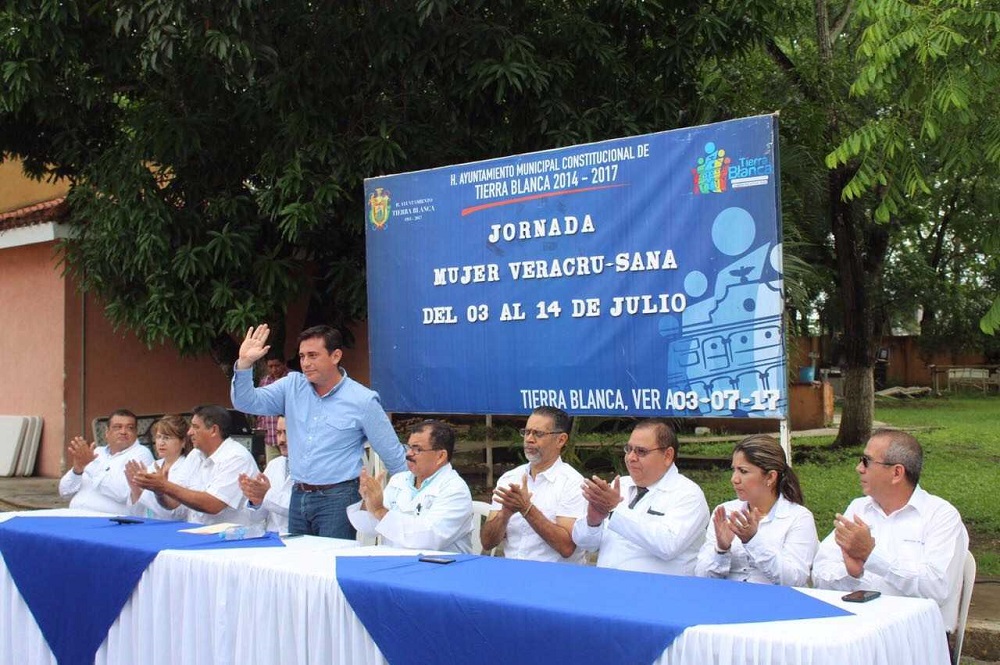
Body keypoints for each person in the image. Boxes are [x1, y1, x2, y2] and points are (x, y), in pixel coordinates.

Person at [231, 324, 407, 539]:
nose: (305, 363)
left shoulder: (363, 400)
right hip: (298, 494)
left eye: (313, 355)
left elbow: (394, 456)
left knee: (328, 564)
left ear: (336, 356)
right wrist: (245, 363)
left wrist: (404, 507)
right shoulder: (292, 385)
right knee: (299, 566)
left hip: (338, 497)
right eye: (302, 356)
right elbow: (246, 402)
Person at [812, 429, 969, 632]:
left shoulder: (940, 516)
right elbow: (819, 574)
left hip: (917, 636)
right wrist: (852, 574)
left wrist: (872, 556)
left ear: (896, 473)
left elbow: (938, 588)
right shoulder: (859, 509)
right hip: (858, 629)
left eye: (866, 461)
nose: (859, 468)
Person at [572, 419, 709, 575]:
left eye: (641, 451)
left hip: (660, 594)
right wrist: (593, 521)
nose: (631, 458)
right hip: (609, 588)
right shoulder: (620, 485)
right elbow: (585, 544)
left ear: (668, 455)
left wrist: (615, 509)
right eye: (628, 449)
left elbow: (668, 546)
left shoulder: (688, 494)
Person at [695, 434, 818, 585]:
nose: (734, 479)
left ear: (770, 477)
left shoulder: (799, 517)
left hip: (776, 604)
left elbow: (795, 579)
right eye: (734, 470)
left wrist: (753, 540)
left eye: (743, 471)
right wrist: (721, 549)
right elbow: (701, 578)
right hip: (728, 600)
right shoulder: (726, 512)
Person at [480, 406, 587, 563]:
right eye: (526, 432)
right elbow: (487, 543)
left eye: (538, 434)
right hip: (512, 573)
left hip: (554, 580)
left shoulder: (573, 483)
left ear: (561, 440)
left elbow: (566, 548)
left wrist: (526, 509)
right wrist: (505, 514)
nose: (529, 439)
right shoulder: (510, 478)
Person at [347, 419, 473, 553]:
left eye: (417, 449)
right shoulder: (399, 480)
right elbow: (370, 528)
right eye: (409, 447)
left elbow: (429, 539)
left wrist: (380, 510)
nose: (408, 454)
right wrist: (368, 501)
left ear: (440, 456)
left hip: (439, 567)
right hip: (394, 563)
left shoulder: (455, 489)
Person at [132, 405, 261, 526]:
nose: (189, 432)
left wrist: (165, 486)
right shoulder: (195, 454)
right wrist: (159, 492)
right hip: (196, 534)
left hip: (231, 540)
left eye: (195, 427)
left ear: (213, 430)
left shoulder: (236, 457)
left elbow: (213, 505)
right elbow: (175, 503)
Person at [58, 409, 154, 514]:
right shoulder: (97, 452)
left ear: (136, 433)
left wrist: (90, 465)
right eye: (117, 427)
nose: (123, 432)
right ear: (107, 432)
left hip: (111, 522)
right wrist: (77, 470)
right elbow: (64, 493)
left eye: (130, 428)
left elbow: (123, 494)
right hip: (75, 516)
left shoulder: (141, 454)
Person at [124, 415, 198, 520]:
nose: (161, 443)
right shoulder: (154, 466)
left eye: (167, 438)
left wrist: (143, 492)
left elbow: (175, 514)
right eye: (158, 437)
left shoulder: (187, 467)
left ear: (183, 442)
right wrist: (134, 488)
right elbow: (135, 513)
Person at [239, 416, 293, 533]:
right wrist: (255, 501)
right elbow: (257, 518)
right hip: (272, 538)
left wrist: (267, 494)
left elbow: (301, 508)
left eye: (287, 433)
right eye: (278, 433)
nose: (281, 440)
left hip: (300, 539)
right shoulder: (274, 464)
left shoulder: (315, 467)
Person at [257, 355, 288, 464]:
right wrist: (260, 425)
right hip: (270, 436)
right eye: (270, 366)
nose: (274, 369)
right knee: (272, 471)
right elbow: (260, 405)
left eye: (277, 366)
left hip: (289, 438)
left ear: (284, 364)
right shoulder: (264, 381)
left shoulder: (292, 380)